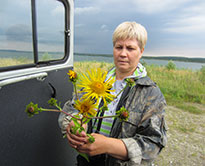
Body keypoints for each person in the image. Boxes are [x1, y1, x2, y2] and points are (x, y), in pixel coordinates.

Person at [58, 21, 167, 166]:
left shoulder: (150, 93)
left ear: (141, 51)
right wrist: (75, 124)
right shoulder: (97, 81)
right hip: (86, 161)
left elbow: (153, 145)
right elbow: (72, 108)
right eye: (119, 47)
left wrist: (108, 145)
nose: (123, 53)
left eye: (130, 48)